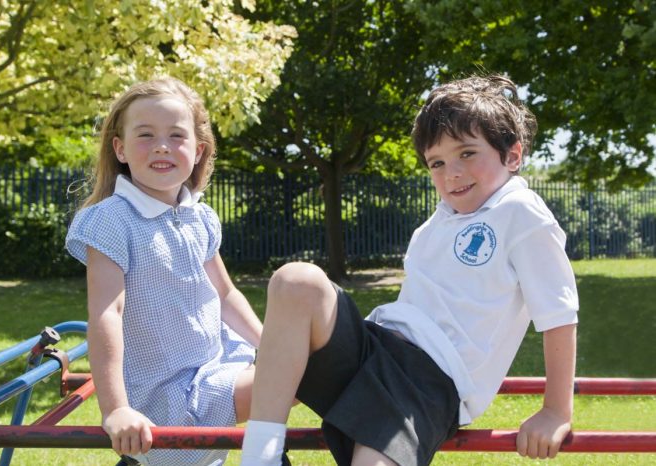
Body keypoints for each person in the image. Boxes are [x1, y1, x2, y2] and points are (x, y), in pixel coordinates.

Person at [240, 75, 579, 466]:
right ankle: (261, 456)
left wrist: (556, 411)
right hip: (373, 347)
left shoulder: (519, 211)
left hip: (425, 383)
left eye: (467, 153)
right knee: (295, 281)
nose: (451, 172)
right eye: (437, 162)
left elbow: (558, 312)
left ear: (512, 156)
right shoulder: (434, 225)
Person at [66, 77, 263, 466]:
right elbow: (107, 314)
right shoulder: (112, 220)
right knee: (293, 377)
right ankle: (267, 456)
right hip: (165, 392)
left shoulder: (199, 216)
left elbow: (225, 296)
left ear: (198, 149)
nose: (161, 145)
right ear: (119, 149)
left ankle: (268, 454)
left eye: (176, 135)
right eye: (146, 135)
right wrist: (116, 409)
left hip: (213, 366)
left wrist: (268, 343)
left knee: (298, 366)